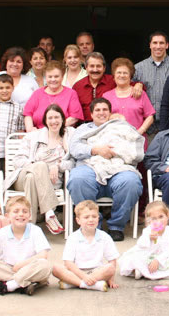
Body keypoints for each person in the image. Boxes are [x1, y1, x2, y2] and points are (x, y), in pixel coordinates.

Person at [67, 98, 144, 241]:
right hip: (89, 165)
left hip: (118, 166)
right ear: (91, 114)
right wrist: (96, 149)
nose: (101, 113)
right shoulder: (83, 129)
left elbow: (134, 148)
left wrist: (118, 151)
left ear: (110, 113)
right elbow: (75, 149)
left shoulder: (121, 126)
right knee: (77, 179)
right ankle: (92, 226)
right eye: (97, 110)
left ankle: (116, 226)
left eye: (105, 110)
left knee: (131, 181)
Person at [6, 104, 74, 233]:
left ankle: (28, 228)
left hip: (50, 182)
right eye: (50, 118)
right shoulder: (33, 137)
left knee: (32, 178)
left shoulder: (68, 137)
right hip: (22, 179)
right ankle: (49, 212)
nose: (54, 121)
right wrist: (37, 166)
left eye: (57, 117)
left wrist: (58, 166)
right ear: (45, 121)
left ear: (62, 119)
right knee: (38, 167)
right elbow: (17, 161)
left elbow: (73, 163)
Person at [0, 196, 52, 296]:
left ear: (29, 215)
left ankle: (8, 286)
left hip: (29, 267)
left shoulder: (35, 230)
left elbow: (43, 255)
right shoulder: (1, 233)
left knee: (45, 265)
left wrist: (21, 265)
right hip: (9, 269)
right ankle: (26, 283)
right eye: (16, 211)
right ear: (7, 216)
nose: (21, 214)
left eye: (25, 211)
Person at [52, 200, 119, 291]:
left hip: (96, 271)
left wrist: (111, 280)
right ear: (78, 220)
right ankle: (88, 284)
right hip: (77, 271)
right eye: (86, 217)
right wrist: (83, 276)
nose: (91, 220)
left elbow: (112, 260)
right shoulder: (73, 238)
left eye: (94, 216)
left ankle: (73, 283)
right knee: (56, 268)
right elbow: (68, 263)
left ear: (98, 218)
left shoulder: (104, 237)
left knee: (110, 268)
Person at [118, 201, 169, 280]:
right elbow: (140, 245)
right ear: (149, 221)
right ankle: (140, 271)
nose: (158, 221)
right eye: (154, 218)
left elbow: (168, 250)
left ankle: (145, 272)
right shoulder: (148, 230)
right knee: (131, 259)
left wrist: (158, 260)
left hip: (161, 258)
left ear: (167, 216)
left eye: (161, 217)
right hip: (146, 255)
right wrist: (148, 238)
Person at [72, 52, 143, 121]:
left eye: (98, 66)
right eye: (92, 66)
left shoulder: (113, 81)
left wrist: (139, 85)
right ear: (86, 67)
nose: (95, 69)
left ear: (104, 68)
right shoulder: (78, 86)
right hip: (85, 126)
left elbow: (129, 85)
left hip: (108, 126)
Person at [133, 31, 169, 130]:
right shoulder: (138, 68)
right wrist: (137, 84)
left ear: (167, 45)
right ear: (150, 45)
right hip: (146, 124)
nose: (158, 46)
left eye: (161, 43)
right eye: (155, 43)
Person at [102, 57, 156, 137]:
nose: (122, 75)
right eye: (119, 73)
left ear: (130, 76)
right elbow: (102, 117)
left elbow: (150, 116)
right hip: (113, 140)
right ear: (114, 76)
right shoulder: (106, 96)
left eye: (125, 73)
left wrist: (139, 132)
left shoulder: (140, 93)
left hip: (136, 140)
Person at [24, 60, 83, 131]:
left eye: (56, 76)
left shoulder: (71, 93)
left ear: (62, 77)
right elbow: (28, 114)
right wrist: (30, 129)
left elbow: (74, 117)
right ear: (46, 77)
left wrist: (53, 129)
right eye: (50, 77)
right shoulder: (37, 93)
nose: (53, 79)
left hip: (62, 133)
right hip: (38, 134)